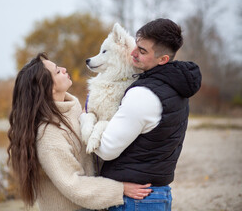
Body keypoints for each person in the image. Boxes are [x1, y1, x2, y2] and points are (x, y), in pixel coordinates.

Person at [7, 53, 152, 211]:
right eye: (57, 71)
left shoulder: (74, 111)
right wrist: (120, 189)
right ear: (47, 87)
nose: (63, 69)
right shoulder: (48, 133)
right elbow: (73, 184)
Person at [85, 18, 202, 211]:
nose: (133, 52)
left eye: (142, 51)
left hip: (136, 200)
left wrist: (85, 119)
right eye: (137, 46)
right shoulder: (176, 88)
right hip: (158, 194)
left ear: (163, 59)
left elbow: (106, 148)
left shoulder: (142, 95)